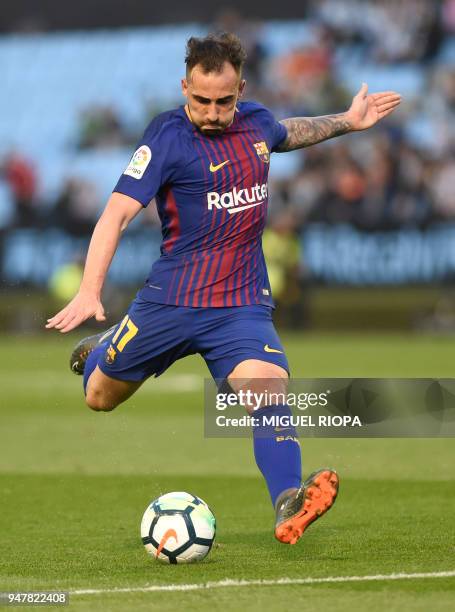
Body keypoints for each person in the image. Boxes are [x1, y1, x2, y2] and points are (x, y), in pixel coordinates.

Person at [46, 33, 401, 545]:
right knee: (99, 397)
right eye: (201, 100)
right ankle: (107, 347)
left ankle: (288, 501)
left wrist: (348, 120)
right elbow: (116, 214)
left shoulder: (256, 122)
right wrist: (88, 290)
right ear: (185, 87)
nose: (212, 112)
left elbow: (288, 132)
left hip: (240, 308)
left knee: (270, 393)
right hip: (169, 302)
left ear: (242, 91)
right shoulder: (165, 137)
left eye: (224, 101)